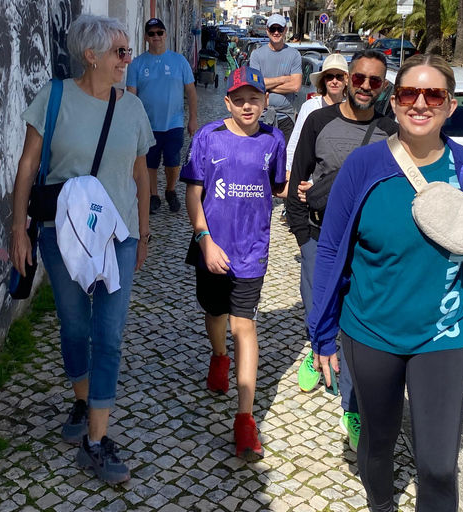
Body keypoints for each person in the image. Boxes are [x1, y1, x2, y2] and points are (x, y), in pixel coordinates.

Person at [308, 54, 463, 510]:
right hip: (371, 331)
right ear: (393, 103)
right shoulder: (363, 166)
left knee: (438, 464)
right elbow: (333, 251)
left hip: (442, 333)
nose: (420, 103)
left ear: (450, 105)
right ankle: (381, 503)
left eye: (433, 94)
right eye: (408, 94)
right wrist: (321, 331)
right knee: (378, 445)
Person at [11, 14, 153, 484]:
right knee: (74, 327)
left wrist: (145, 232)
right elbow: (28, 165)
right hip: (62, 236)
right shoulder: (53, 98)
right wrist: (18, 229)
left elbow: (141, 174)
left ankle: (96, 439)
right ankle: (80, 398)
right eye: (120, 52)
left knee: (108, 336)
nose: (127, 59)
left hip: (120, 238)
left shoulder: (132, 107)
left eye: (128, 51)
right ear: (91, 55)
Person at [287, 49, 398, 454]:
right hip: (319, 239)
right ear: (348, 80)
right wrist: (302, 236)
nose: (366, 86)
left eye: (375, 81)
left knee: (355, 326)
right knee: (318, 307)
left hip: (367, 249)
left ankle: (350, 407)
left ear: (383, 87)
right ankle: (317, 352)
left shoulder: (392, 130)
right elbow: (297, 180)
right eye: (359, 79)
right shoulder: (319, 121)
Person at [181, 66, 287, 461]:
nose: (247, 105)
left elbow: (278, 187)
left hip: (252, 252)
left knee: (244, 325)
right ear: (228, 101)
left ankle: (245, 419)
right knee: (214, 313)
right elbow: (195, 194)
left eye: (254, 98)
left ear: (264, 101)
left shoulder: (274, 140)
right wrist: (204, 240)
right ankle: (219, 355)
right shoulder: (208, 137)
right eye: (239, 99)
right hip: (211, 247)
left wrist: (308, 190)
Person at [127, 18, 198, 214]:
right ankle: (153, 196)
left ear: (165, 35)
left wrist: (193, 118)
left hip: (174, 122)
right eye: (152, 33)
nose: (156, 36)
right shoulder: (136, 65)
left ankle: (170, 190)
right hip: (147, 124)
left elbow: (191, 91)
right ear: (146, 37)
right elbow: (131, 96)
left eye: (160, 32)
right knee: (149, 162)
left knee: (172, 160)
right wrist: (131, 123)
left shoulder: (179, 61)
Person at [283, 53, 349, 185]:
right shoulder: (310, 107)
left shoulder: (351, 110)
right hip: (309, 181)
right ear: (323, 80)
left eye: (339, 76)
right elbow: (295, 143)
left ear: (346, 80)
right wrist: (288, 172)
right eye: (330, 76)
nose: (334, 81)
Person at [248, 14, 302, 142]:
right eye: (273, 29)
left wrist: (267, 86)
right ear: (267, 30)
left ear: (285, 30)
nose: (276, 32)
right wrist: (282, 79)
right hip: (260, 117)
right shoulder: (256, 54)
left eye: (280, 29)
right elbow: (254, 84)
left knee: (284, 159)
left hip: (285, 118)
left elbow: (295, 86)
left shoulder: (294, 55)